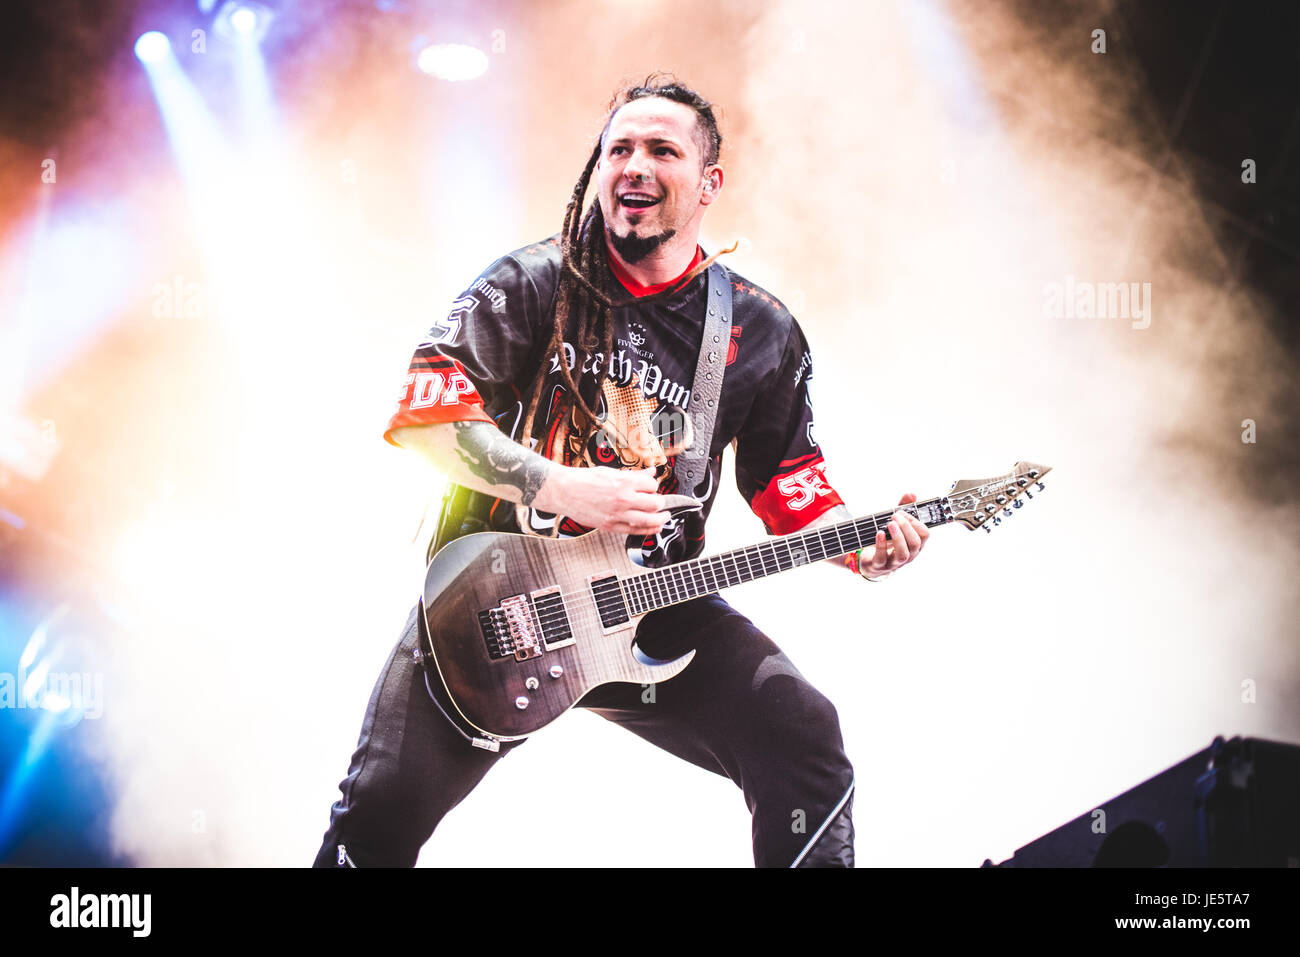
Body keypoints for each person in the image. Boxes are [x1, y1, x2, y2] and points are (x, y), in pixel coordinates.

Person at [312, 76, 929, 868]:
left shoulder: (759, 329)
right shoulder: (532, 282)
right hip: (494, 606)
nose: (634, 166)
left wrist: (860, 545)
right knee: (377, 815)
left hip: (651, 603)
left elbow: (788, 481)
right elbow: (425, 415)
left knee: (804, 739)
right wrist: (558, 485)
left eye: (661, 150)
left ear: (709, 184)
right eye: (619, 150)